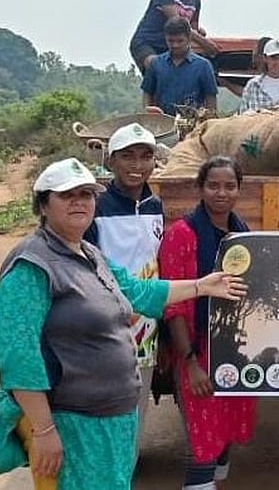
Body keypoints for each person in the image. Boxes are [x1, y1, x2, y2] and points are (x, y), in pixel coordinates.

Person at [0, 158, 245, 490]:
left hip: (113, 419)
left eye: (86, 193)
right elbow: (19, 357)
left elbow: (138, 291)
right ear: (43, 205)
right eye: (67, 195)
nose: (79, 201)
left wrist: (201, 286)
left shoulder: (90, 255)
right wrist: (44, 430)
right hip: (73, 422)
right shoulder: (31, 266)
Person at [159, 156, 259, 490]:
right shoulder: (182, 235)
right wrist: (189, 363)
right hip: (197, 349)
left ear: (238, 190)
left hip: (234, 350)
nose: (221, 193)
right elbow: (174, 306)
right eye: (213, 185)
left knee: (227, 429)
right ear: (200, 189)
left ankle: (216, 481)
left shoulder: (243, 234)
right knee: (203, 432)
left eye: (230, 186)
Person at [81, 123, 166, 458]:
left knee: (137, 405)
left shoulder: (154, 206)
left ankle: (124, 470)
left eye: (146, 156)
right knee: (102, 405)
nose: (137, 164)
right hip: (105, 323)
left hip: (145, 326)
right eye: (127, 156)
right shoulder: (97, 208)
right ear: (110, 162)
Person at [129, 0, 219, 73]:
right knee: (156, 67)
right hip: (148, 42)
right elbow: (179, 24)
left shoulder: (196, 1)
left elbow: (192, 30)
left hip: (171, 47)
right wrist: (205, 43)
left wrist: (201, 36)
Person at [141, 18, 218, 116]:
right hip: (162, 124)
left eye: (180, 41)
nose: (175, 45)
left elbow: (211, 99)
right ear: (165, 38)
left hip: (193, 125)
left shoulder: (203, 66)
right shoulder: (156, 63)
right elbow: (147, 92)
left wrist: (209, 121)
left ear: (189, 38)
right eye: (171, 41)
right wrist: (147, 114)